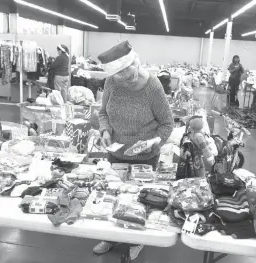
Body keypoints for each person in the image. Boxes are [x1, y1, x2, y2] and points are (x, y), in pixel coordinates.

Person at [94, 41, 174, 261]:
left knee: (139, 201)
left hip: (145, 157)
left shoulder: (153, 87)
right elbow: (103, 113)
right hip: (115, 154)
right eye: (123, 80)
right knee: (113, 196)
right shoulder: (112, 82)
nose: (129, 82)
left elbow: (167, 124)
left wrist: (153, 142)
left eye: (131, 77)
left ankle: (136, 239)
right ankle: (110, 237)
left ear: (136, 64)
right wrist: (105, 131)